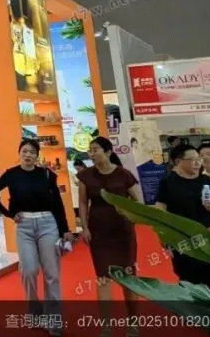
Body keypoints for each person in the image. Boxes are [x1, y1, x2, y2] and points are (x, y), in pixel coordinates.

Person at [0, 139, 75, 335]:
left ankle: (54, 320)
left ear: (37, 155)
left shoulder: (47, 174)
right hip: (24, 227)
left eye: (32, 152)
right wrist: (9, 214)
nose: (28, 155)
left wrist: (65, 230)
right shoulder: (12, 174)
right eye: (25, 151)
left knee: (52, 273)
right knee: (28, 270)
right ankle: (35, 314)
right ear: (19, 153)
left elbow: (57, 204)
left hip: (48, 224)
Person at [78, 137, 141, 333]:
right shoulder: (85, 176)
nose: (91, 154)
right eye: (90, 150)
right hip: (99, 232)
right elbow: (82, 203)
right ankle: (106, 326)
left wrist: (129, 212)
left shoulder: (124, 174)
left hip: (123, 232)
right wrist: (85, 227)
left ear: (108, 152)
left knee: (128, 276)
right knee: (103, 277)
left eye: (95, 149)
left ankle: (133, 322)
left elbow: (138, 202)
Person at [154, 144, 210, 294]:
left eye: (199, 159)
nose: (198, 163)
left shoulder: (207, 181)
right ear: (178, 161)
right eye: (192, 159)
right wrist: (164, 238)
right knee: (188, 278)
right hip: (180, 239)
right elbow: (160, 211)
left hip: (207, 237)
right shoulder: (168, 182)